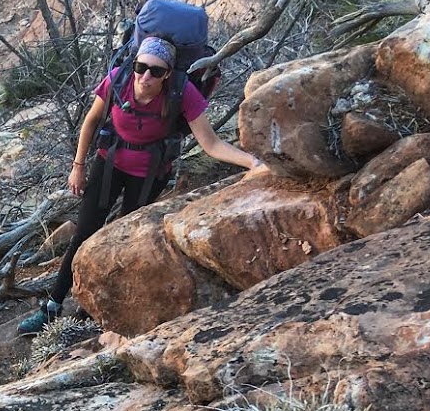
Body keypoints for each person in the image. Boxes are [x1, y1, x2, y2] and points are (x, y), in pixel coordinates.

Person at [18, 36, 266, 335]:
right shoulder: (118, 79)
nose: (146, 76)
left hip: (149, 173)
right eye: (141, 67)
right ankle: (53, 306)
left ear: (168, 74)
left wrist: (251, 162)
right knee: (84, 233)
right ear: (133, 65)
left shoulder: (182, 92)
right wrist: (78, 166)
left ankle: (90, 309)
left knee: (124, 240)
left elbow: (211, 143)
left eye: (156, 71)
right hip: (108, 164)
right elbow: (91, 120)